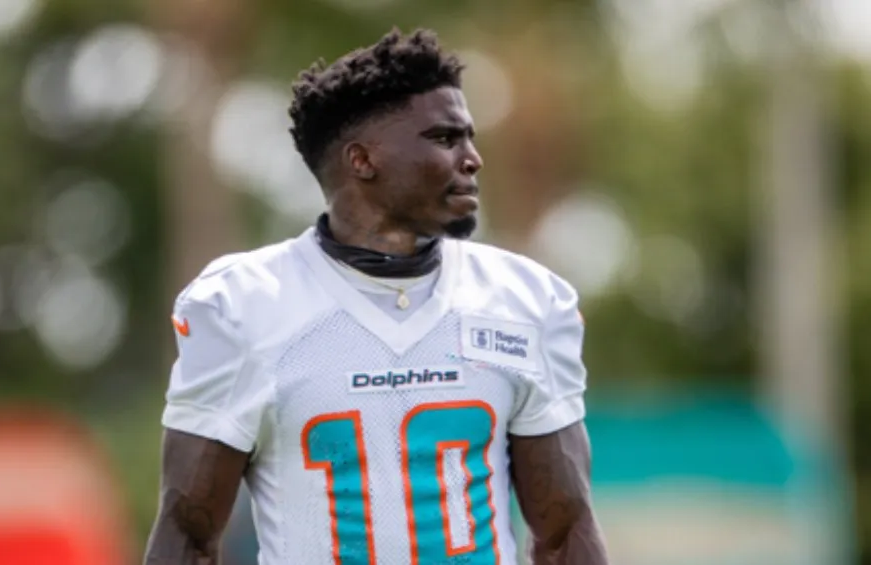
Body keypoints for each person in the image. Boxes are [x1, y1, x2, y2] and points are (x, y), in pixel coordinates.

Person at [144, 27, 609, 565]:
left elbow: (565, 532)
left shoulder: (523, 299)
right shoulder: (245, 306)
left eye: (469, 136)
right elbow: (188, 535)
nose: (473, 158)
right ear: (362, 160)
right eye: (444, 138)